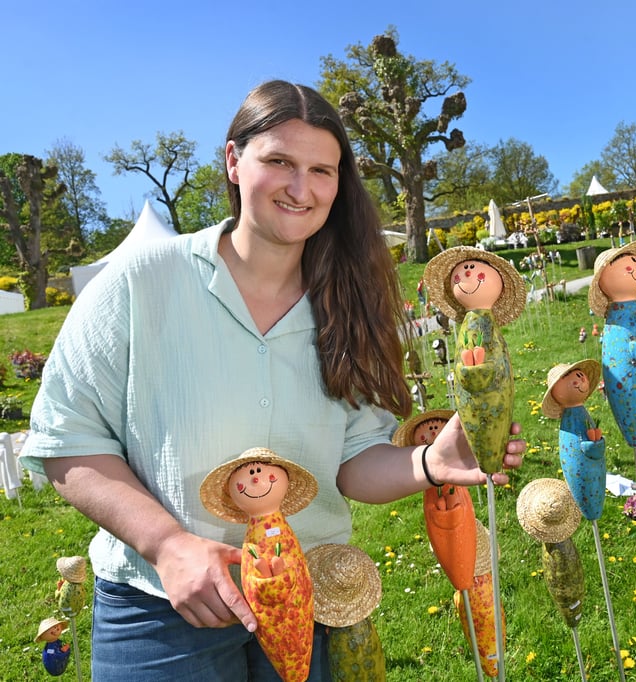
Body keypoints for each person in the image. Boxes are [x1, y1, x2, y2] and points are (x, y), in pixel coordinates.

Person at [20, 80, 524, 681]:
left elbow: (353, 459)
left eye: (322, 171)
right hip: (159, 611)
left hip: (312, 596)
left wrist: (428, 463)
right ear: (234, 161)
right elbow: (67, 440)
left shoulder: (350, 303)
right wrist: (168, 545)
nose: (300, 189)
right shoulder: (139, 281)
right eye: (279, 161)